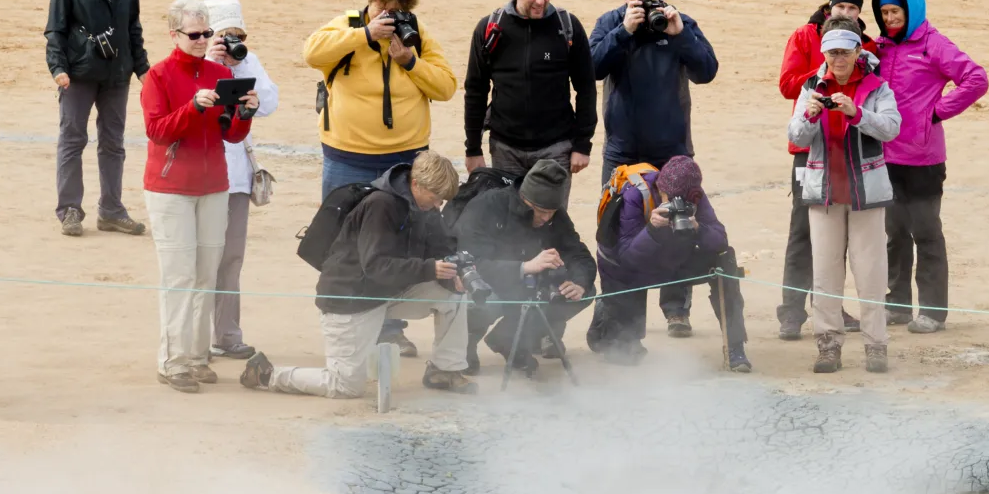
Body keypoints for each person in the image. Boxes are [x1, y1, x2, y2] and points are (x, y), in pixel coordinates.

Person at [305, 0, 457, 358]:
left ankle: (389, 328)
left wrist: (410, 61)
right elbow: (312, 53)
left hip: (406, 161)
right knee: (343, 243)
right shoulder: (347, 28)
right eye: (381, 10)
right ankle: (349, 320)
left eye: (396, 11)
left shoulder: (416, 35)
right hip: (348, 159)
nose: (389, 18)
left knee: (401, 245)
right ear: (369, 4)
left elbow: (445, 87)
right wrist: (365, 35)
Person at [239, 152, 477, 398]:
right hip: (351, 299)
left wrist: (454, 273)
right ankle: (267, 374)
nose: (437, 205)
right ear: (416, 184)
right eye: (435, 198)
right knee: (344, 386)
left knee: (453, 295)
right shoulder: (381, 205)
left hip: (388, 292)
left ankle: (445, 370)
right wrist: (429, 269)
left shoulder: (423, 204)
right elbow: (375, 267)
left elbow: (441, 244)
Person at [589, 0, 719, 339]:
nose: (645, 7)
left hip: (672, 150)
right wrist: (623, 31)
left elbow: (707, 71)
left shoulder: (678, 22)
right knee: (617, 230)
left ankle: (676, 308)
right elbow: (591, 68)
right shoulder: (608, 22)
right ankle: (621, 316)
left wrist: (681, 36)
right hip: (622, 151)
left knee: (678, 227)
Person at [141, 0, 258, 393]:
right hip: (171, 189)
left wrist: (245, 112)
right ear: (174, 35)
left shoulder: (217, 72)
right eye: (194, 34)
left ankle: (194, 357)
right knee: (179, 277)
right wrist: (192, 107)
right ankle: (172, 362)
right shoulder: (158, 76)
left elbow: (231, 134)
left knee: (206, 275)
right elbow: (158, 131)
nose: (202, 39)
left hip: (214, 188)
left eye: (206, 33)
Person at [870, 0, 989, 335]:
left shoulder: (933, 45)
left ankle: (934, 311)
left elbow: (976, 78)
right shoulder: (879, 48)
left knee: (926, 232)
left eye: (896, 12)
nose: (890, 19)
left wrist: (936, 112)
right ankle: (898, 304)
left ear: (912, 9)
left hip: (923, 158)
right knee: (893, 233)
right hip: (886, 156)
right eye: (885, 12)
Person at [786, 18, 902, 374]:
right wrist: (809, 115)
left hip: (865, 194)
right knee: (825, 273)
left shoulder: (876, 87)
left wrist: (857, 114)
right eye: (832, 52)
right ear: (824, 53)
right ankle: (828, 345)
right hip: (824, 193)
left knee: (870, 271)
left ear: (857, 51)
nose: (838, 59)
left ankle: (875, 345)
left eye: (845, 52)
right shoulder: (811, 86)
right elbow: (796, 137)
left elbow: (892, 127)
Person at [585, 155, 750, 373]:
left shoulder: (695, 197)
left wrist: (698, 227)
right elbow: (626, 257)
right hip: (626, 269)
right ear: (659, 187)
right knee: (623, 354)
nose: (676, 206)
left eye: (683, 202)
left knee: (724, 258)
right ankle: (605, 313)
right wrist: (651, 230)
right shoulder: (635, 194)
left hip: (672, 262)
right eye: (670, 199)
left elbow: (720, 239)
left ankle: (735, 346)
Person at [774, 0, 870, 340]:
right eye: (839, 6)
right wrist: (822, 78)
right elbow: (786, 84)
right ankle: (792, 311)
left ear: (859, 12)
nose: (844, 12)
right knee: (802, 231)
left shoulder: (865, 45)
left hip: (849, 148)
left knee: (839, 234)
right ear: (829, 6)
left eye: (851, 8)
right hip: (809, 149)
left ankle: (830, 307)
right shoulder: (805, 36)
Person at [46, 0, 151, 237]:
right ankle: (70, 210)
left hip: (116, 73)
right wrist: (58, 67)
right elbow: (56, 28)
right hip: (78, 72)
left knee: (113, 143)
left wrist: (142, 68)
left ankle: (111, 210)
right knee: (72, 140)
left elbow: (132, 27)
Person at [455, 157, 596, 376]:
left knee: (581, 293)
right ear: (524, 198)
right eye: (539, 211)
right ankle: (465, 343)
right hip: (488, 282)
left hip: (527, 285)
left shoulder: (553, 215)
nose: (545, 218)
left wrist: (580, 282)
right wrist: (523, 267)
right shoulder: (488, 205)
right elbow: (471, 262)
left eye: (551, 212)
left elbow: (578, 253)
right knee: (483, 299)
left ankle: (511, 339)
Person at [463, 0, 597, 179]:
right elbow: (475, 91)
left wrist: (583, 145)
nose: (541, 1)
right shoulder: (490, 28)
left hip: (556, 148)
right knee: (509, 214)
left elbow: (586, 88)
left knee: (551, 215)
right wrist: (473, 148)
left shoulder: (568, 27)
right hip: (505, 149)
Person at [205, 0, 280, 361]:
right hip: (199, 177)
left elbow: (268, 103)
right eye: (224, 35)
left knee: (231, 259)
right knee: (199, 260)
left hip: (234, 179)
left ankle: (227, 334)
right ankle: (192, 338)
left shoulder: (246, 61)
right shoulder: (195, 63)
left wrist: (241, 63)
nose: (231, 42)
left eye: (237, 35)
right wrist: (210, 62)